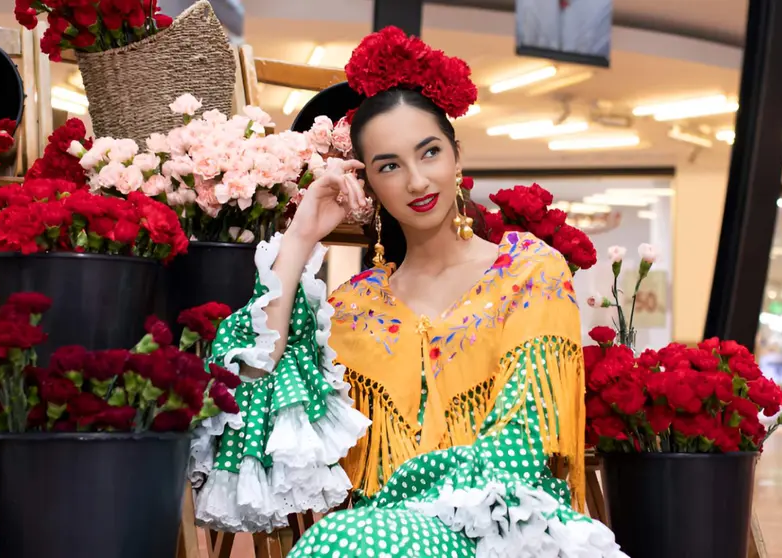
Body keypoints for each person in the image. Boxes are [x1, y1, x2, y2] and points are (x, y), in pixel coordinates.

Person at [190, 27, 625, 557]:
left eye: (429, 153)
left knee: (336, 538)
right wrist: (303, 232)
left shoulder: (530, 272)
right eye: (389, 166)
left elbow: (521, 447)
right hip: (377, 542)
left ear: (457, 157)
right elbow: (253, 383)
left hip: (507, 528)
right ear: (368, 185)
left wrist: (401, 515)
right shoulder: (354, 308)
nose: (417, 181)